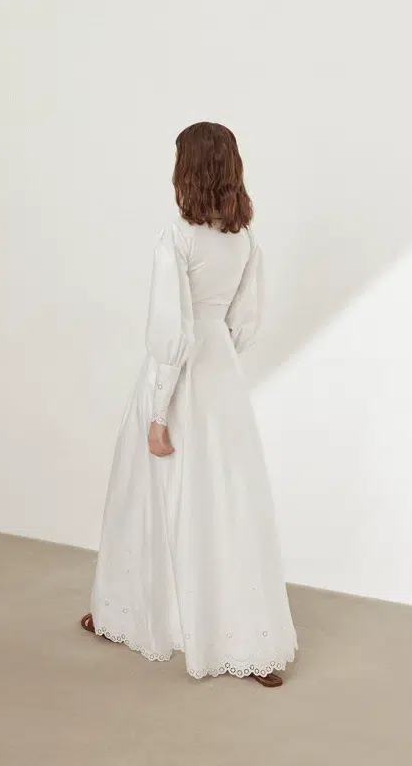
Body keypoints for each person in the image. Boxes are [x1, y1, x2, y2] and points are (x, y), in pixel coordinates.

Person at [81, 122, 297, 687]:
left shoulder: (177, 237)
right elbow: (243, 324)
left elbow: (169, 331)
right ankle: (247, 638)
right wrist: (217, 357)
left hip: (178, 384)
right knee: (226, 502)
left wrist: (158, 416)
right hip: (222, 384)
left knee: (147, 498)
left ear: (188, 169)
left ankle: (125, 615)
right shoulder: (244, 240)